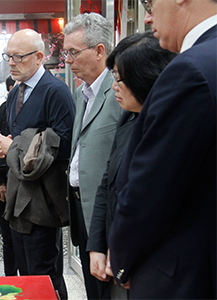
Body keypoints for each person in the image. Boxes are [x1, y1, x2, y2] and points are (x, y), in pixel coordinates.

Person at [108, 0, 217, 297]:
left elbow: (150, 190)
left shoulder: (192, 69)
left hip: (182, 273)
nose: (146, 16)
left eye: (150, 3)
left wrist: (122, 262)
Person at [84, 32, 175, 300]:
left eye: (120, 79)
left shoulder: (168, 128)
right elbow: (107, 184)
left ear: (145, 78)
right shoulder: (127, 121)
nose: (115, 87)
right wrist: (97, 246)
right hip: (117, 257)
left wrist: (126, 256)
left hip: (149, 264)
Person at [0, 29, 74, 300]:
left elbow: (63, 147)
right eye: (8, 56)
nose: (11, 62)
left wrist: (12, 147)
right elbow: (18, 140)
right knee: (24, 275)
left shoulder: (56, 92)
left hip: (43, 202)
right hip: (18, 198)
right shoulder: (16, 92)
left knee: (44, 275)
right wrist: (4, 149)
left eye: (18, 57)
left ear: (39, 57)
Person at [61, 13, 122, 300]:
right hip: (80, 210)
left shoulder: (120, 91)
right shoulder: (81, 93)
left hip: (109, 214)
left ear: (99, 51)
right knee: (93, 289)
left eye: (73, 52)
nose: (68, 61)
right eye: (65, 53)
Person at [0, 76, 18, 277]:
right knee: (8, 237)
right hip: (6, 183)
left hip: (29, 185)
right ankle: (11, 278)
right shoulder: (5, 108)